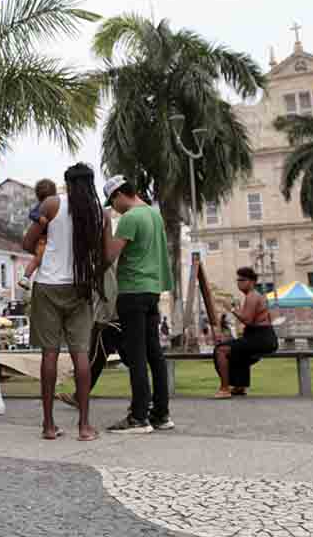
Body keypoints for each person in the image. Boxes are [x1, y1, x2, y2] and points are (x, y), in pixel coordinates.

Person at [22, 163, 109, 442]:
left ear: (67, 183)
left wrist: (46, 232)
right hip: (80, 287)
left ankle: (48, 426)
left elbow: (27, 244)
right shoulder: (101, 214)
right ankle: (84, 427)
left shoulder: (51, 204)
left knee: (49, 353)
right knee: (81, 354)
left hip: (47, 286)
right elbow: (106, 257)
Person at [103, 176, 174, 434]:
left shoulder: (130, 218)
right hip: (152, 291)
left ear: (121, 194)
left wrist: (104, 230)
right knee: (154, 353)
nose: (113, 207)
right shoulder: (154, 215)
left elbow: (110, 255)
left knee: (136, 355)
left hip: (132, 291)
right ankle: (161, 413)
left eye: (112, 201)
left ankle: (138, 416)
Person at [213, 267, 278, 398]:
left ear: (252, 282)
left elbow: (247, 320)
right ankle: (239, 387)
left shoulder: (252, 296)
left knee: (221, 350)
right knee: (237, 350)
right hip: (262, 336)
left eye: (243, 280)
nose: (239, 283)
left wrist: (230, 308)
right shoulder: (255, 296)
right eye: (238, 280)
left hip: (261, 338)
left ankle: (225, 388)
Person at [19, 179, 58, 291]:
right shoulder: (42, 206)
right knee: (37, 259)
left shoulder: (54, 206)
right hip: (43, 240)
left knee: (40, 259)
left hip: (48, 239)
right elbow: (32, 214)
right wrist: (39, 218)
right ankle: (25, 277)